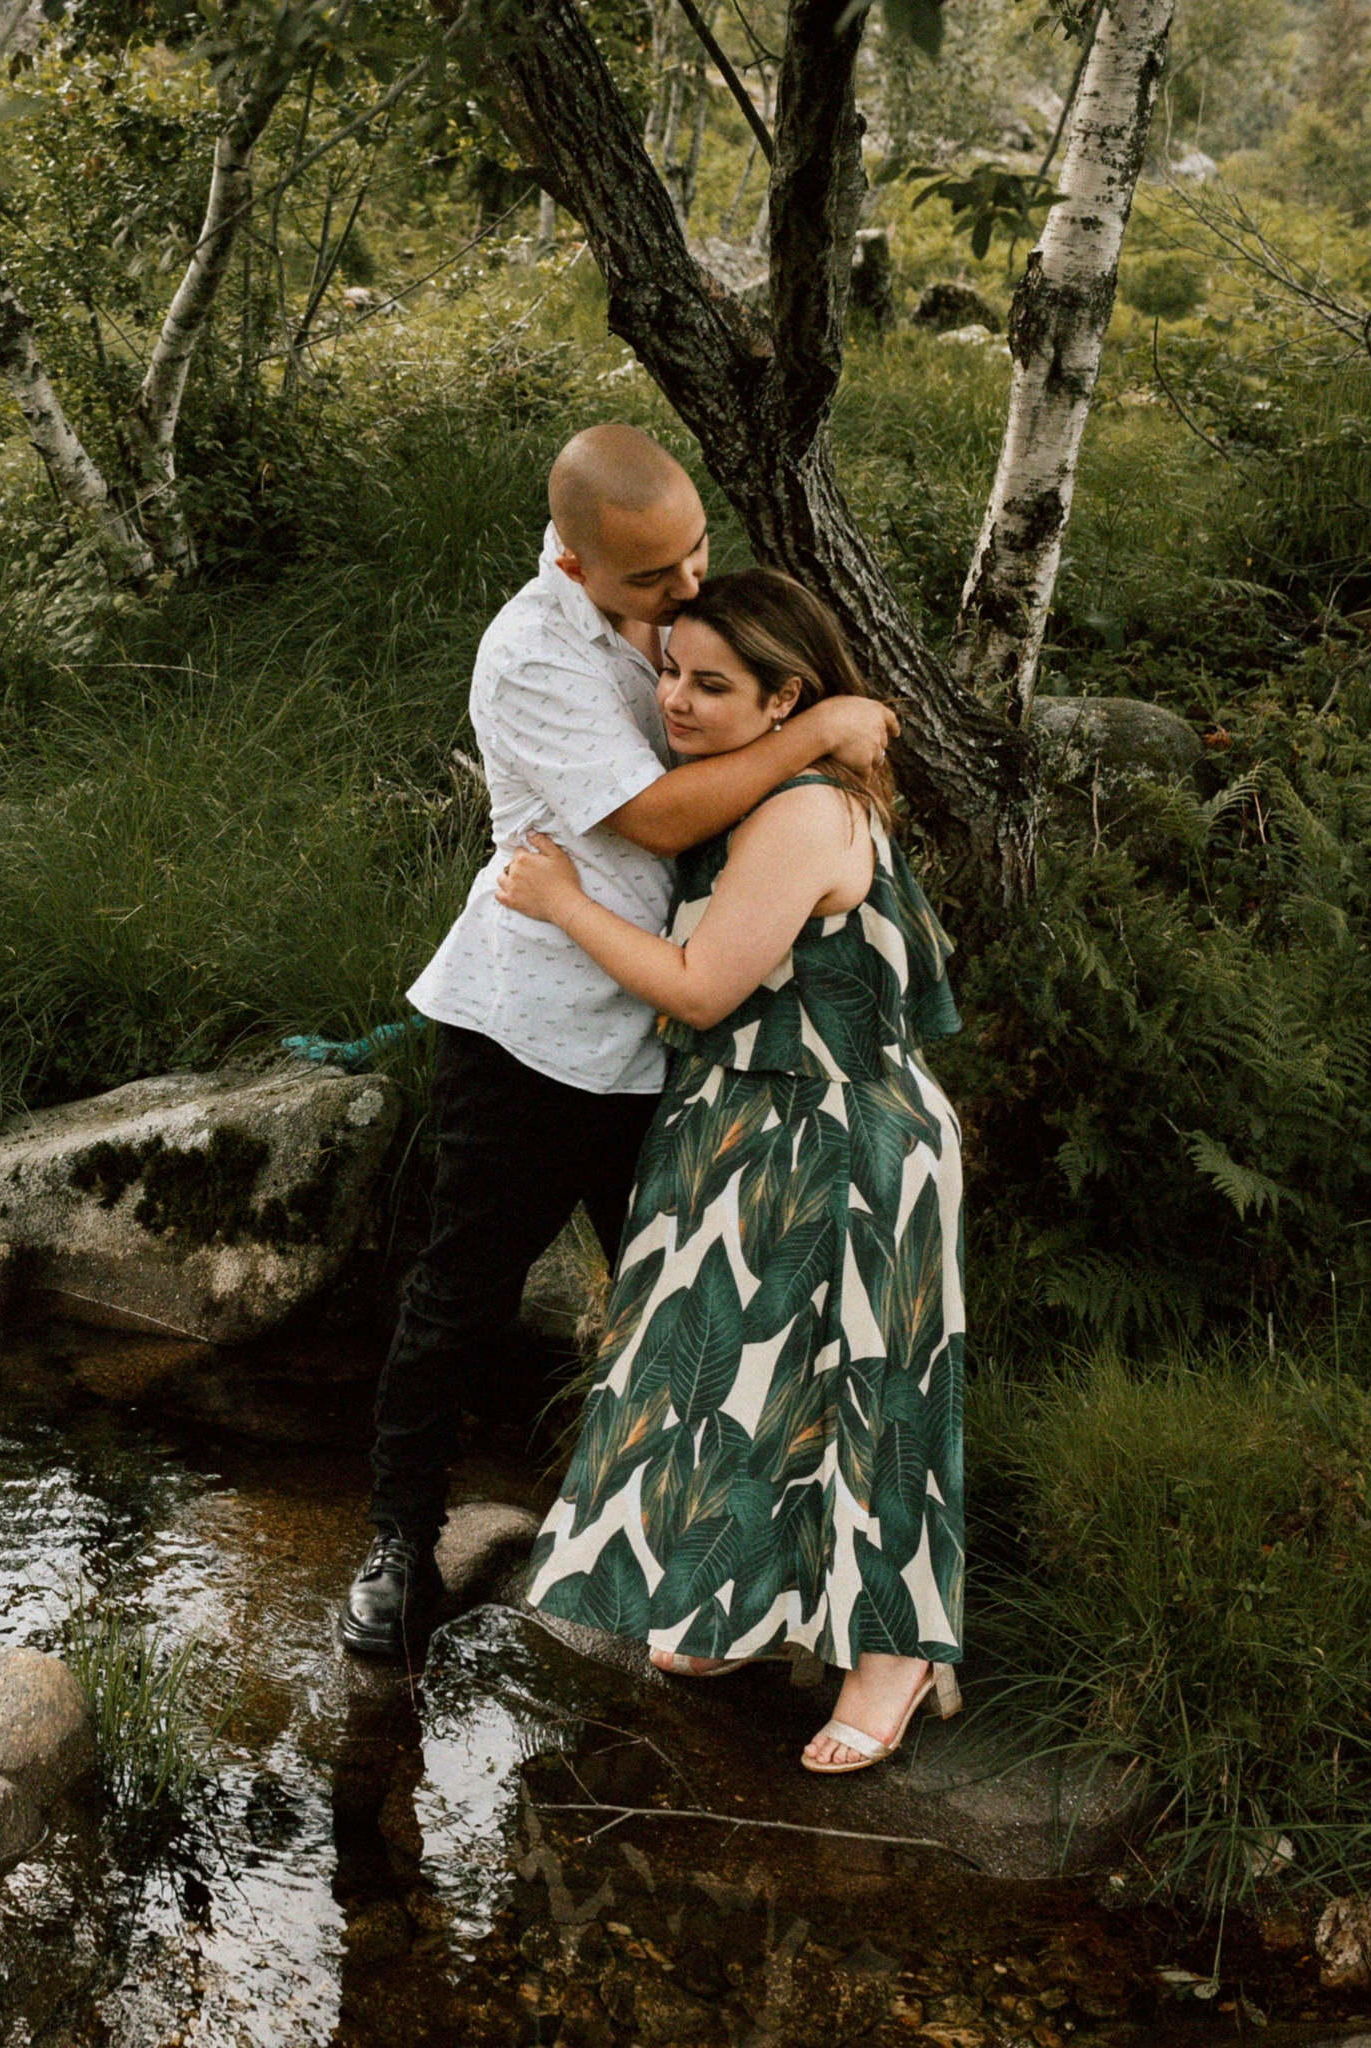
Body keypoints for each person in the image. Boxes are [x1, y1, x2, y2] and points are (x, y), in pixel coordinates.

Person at [338, 426, 901, 1660]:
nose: (685, 590)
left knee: (685, 1297)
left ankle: (689, 1553)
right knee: (463, 1290)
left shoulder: (689, 612)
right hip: (535, 1028)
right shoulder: (531, 654)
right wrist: (817, 733)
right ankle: (397, 1540)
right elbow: (651, 821)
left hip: (691, 1032)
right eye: (652, 579)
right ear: (575, 561)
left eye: (695, 556)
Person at [495, 567, 967, 1775]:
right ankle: (742, 1607)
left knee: (870, 1394)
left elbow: (703, 983)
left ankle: (897, 1657)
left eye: (713, 684)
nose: (678, 702)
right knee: (745, 1386)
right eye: (669, 673)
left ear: (784, 697)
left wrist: (559, 901)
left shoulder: (804, 809)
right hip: (751, 1130)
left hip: (840, 1135)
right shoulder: (758, 785)